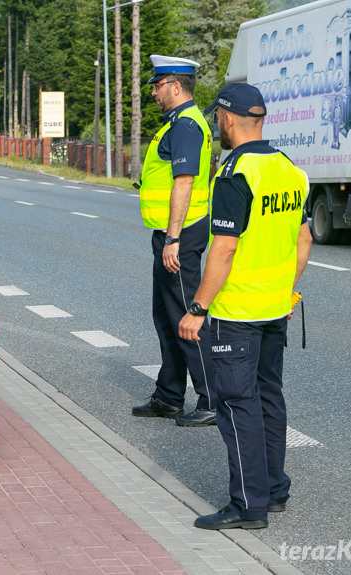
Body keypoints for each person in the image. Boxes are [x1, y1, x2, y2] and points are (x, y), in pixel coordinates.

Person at [178, 83, 313, 530]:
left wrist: (197, 308)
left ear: (228, 119)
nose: (217, 122)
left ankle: (247, 506)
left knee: (237, 404)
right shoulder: (289, 169)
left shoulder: (236, 172)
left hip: (237, 314)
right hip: (275, 309)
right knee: (269, 396)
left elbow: (223, 250)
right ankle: (274, 490)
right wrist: (285, 290)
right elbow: (304, 239)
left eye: (218, 116)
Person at [132, 55, 216, 427]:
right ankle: (169, 396)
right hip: (173, 232)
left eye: (157, 84)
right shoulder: (178, 124)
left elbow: (184, 182)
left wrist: (173, 238)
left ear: (176, 86)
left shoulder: (185, 126)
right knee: (167, 317)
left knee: (187, 318)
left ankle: (212, 398)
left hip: (181, 234)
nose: (153, 91)